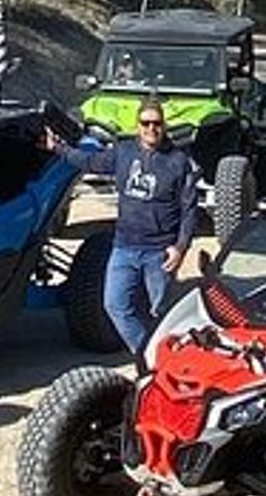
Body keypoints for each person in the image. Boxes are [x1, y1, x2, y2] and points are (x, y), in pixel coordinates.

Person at [48, 96, 197, 356]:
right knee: (115, 305)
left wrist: (180, 247)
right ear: (137, 125)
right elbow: (89, 162)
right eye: (146, 123)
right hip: (124, 247)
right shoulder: (124, 153)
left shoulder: (178, 162)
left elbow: (189, 210)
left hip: (159, 252)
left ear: (164, 125)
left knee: (160, 311)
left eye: (157, 123)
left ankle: (172, 356)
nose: (151, 129)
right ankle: (147, 356)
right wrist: (58, 148)